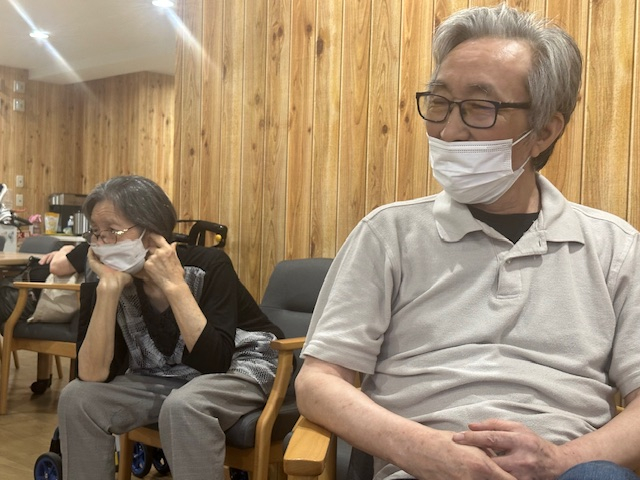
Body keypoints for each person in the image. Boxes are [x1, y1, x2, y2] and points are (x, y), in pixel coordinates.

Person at [295, 4, 640, 480]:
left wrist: (559, 461)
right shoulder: (388, 234)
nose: (449, 131)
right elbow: (318, 381)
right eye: (439, 102)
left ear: (544, 131)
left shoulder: (616, 248)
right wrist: (423, 450)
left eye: (480, 108)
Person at [57, 175, 283, 479]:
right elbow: (91, 374)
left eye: (112, 231)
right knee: (78, 398)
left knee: (185, 405)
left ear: (150, 232)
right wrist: (108, 290)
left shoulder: (209, 265)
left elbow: (215, 363)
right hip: (167, 376)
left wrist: (174, 285)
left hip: (241, 367)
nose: (100, 243)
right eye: (95, 233)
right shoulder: (108, 277)